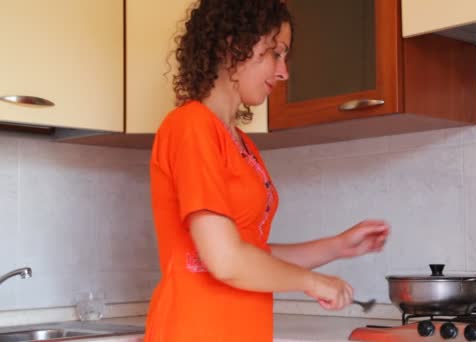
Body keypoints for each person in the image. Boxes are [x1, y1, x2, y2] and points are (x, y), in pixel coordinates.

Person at [145, 1, 390, 341]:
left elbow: (250, 251)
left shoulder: (242, 144)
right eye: (275, 53)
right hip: (196, 330)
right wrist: (311, 282)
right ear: (234, 46)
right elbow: (226, 260)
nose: (283, 71)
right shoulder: (191, 126)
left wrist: (336, 247)